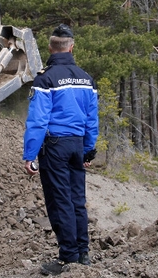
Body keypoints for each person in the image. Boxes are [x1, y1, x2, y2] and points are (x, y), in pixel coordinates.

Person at [22, 23, 99, 276]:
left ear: (50, 47)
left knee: (59, 201)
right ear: (72, 47)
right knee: (78, 200)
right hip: (77, 145)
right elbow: (92, 119)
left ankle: (68, 257)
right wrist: (88, 150)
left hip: (55, 147)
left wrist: (30, 155)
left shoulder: (45, 78)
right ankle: (83, 254)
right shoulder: (86, 79)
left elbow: (37, 121)